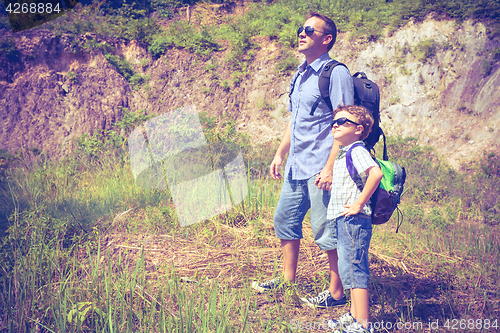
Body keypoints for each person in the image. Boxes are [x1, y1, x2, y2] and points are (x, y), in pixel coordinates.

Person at [251, 12, 354, 309]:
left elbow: (345, 122)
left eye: (310, 30)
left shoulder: (336, 74)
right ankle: (287, 281)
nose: (302, 33)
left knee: (325, 230)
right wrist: (280, 153)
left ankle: (337, 292)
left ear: (327, 39)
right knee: (284, 220)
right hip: (298, 164)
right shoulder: (300, 74)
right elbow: (295, 120)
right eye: (301, 28)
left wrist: (332, 166)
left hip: (322, 166)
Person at [325, 105, 383, 333]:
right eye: (334, 122)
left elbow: (375, 173)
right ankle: (354, 315)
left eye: (342, 121)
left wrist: (359, 203)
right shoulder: (344, 151)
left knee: (355, 268)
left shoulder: (357, 149)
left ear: (359, 129)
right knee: (348, 267)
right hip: (345, 218)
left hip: (354, 219)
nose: (336, 124)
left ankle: (363, 324)